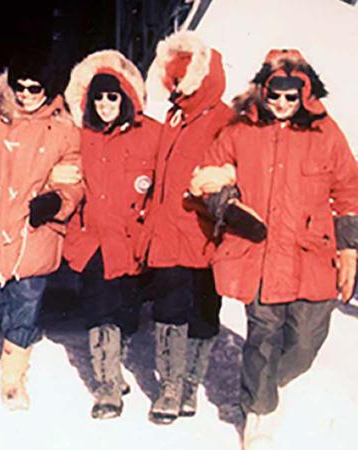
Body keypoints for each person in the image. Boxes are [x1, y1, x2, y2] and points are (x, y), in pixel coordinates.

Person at [190, 48, 358, 450]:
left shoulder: (326, 133)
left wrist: (349, 248)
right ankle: (259, 412)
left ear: (305, 94)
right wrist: (226, 204)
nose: (281, 103)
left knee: (305, 341)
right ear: (263, 91)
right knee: (263, 335)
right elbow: (207, 178)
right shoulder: (240, 131)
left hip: (311, 254)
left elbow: (348, 191)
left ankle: (268, 385)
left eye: (290, 96)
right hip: (259, 254)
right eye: (274, 94)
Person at [0, 52, 83, 411]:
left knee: (26, 303)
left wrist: (56, 201)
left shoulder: (63, 129)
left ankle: (13, 378)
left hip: (34, 230)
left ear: (48, 90)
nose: (26, 95)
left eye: (35, 88)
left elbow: (75, 179)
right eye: (20, 87)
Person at [137, 31, 233, 424]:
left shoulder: (226, 120)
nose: (175, 88)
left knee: (204, 312)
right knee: (169, 309)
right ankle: (170, 385)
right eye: (172, 80)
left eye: (182, 80)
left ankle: (190, 383)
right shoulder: (174, 118)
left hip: (206, 234)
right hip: (168, 232)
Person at [62, 50, 161, 419]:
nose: (105, 104)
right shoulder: (80, 135)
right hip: (93, 240)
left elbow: (164, 184)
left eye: (112, 97)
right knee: (98, 311)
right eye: (99, 97)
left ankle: (114, 367)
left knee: (124, 313)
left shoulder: (152, 133)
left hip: (133, 242)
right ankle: (106, 386)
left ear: (126, 98)